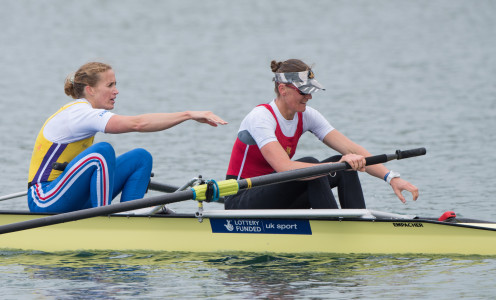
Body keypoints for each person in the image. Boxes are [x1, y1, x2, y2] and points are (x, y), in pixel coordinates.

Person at [28, 61, 227, 213]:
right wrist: (188, 115)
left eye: (115, 84)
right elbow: (138, 124)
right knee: (102, 152)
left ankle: (131, 216)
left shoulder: (86, 112)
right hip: (45, 198)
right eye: (110, 85)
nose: (116, 91)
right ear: (90, 89)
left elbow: (139, 123)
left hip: (68, 193)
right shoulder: (78, 112)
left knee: (140, 158)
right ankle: (104, 218)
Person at [224, 59, 418, 210]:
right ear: (282, 89)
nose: (309, 97)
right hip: (241, 198)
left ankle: (356, 226)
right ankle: (333, 231)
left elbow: (352, 149)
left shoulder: (307, 115)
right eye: (304, 91)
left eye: (311, 91)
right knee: (312, 165)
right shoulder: (261, 117)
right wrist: (323, 167)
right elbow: (284, 167)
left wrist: (391, 177)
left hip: (276, 193)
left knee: (343, 164)